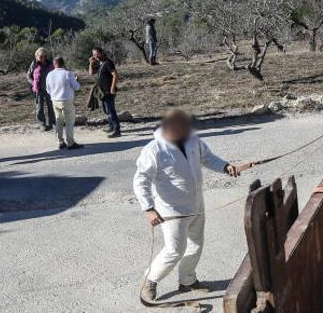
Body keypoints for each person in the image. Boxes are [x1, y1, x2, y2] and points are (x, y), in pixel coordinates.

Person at [133, 109, 241, 301]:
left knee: (195, 245)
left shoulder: (192, 141)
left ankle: (187, 280)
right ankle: (150, 280)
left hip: (196, 203)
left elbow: (208, 158)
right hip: (171, 210)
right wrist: (149, 209)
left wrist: (226, 167)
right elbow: (141, 180)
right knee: (174, 250)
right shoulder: (154, 149)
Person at [46, 56, 83, 150]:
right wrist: (77, 80)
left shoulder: (49, 75)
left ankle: (60, 142)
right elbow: (76, 87)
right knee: (69, 122)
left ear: (54, 64)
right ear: (63, 63)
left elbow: (48, 89)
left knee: (59, 121)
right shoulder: (68, 74)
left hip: (55, 100)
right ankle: (70, 142)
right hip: (66, 100)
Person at [89, 47, 121, 138]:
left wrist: (112, 88)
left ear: (102, 53)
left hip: (108, 91)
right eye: (94, 54)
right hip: (102, 92)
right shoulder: (100, 64)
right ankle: (111, 126)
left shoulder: (108, 63)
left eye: (97, 54)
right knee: (107, 110)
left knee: (111, 110)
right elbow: (91, 73)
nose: (96, 56)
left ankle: (117, 130)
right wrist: (91, 63)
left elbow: (115, 75)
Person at [26, 48, 55, 131]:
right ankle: (42, 124)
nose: (42, 58)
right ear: (36, 56)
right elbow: (28, 76)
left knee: (51, 106)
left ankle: (52, 122)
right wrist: (33, 83)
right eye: (40, 56)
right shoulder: (34, 64)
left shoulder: (50, 64)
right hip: (38, 89)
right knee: (39, 107)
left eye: (44, 56)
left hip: (49, 88)